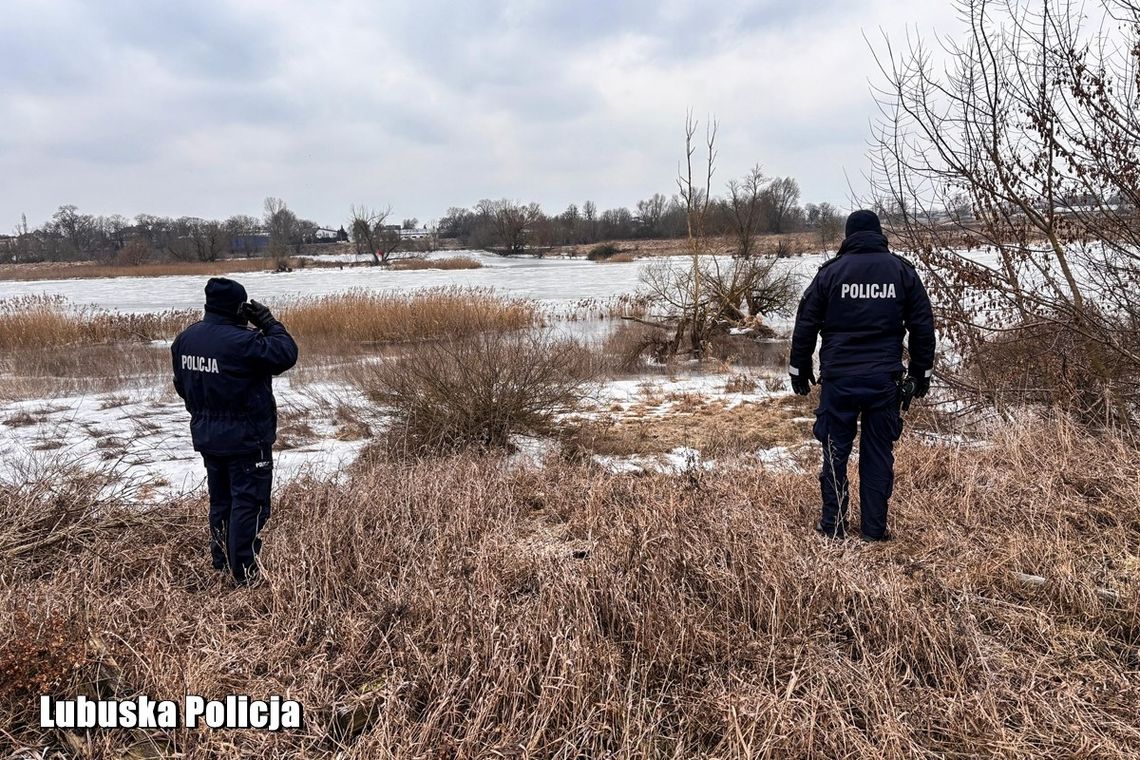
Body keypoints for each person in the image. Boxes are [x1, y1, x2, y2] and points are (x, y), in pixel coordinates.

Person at [789, 210, 935, 541]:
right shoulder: (902, 271)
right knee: (878, 454)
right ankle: (873, 530)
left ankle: (835, 525)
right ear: (878, 233)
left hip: (839, 380)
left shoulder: (830, 273)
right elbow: (923, 326)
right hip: (884, 381)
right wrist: (920, 373)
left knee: (835, 451)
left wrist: (799, 367)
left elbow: (806, 322)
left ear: (848, 235)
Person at [172, 278, 298, 583]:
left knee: (222, 501)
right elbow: (285, 354)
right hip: (246, 438)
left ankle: (221, 561)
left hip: (208, 435)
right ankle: (245, 573)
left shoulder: (186, 339)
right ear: (240, 307)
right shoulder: (242, 341)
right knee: (249, 503)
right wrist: (268, 321)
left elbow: (181, 386)